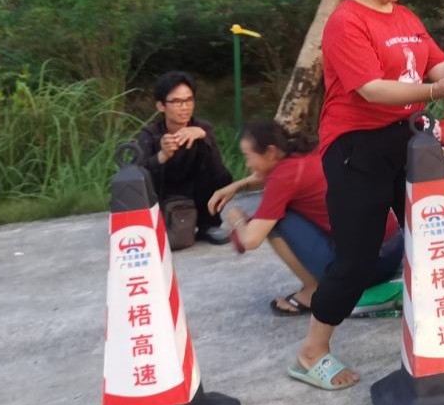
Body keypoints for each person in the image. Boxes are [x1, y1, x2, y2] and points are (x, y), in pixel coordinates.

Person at [289, 0, 444, 391]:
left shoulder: (405, 18)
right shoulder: (346, 22)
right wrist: (436, 90)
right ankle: (311, 352)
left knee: (433, 235)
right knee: (356, 258)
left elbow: (440, 64)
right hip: (356, 147)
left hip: (407, 140)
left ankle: (440, 333)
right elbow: (372, 90)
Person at [207, 120, 403, 316]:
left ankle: (312, 291)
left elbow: (251, 240)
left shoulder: (284, 177)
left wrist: (238, 220)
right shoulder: (310, 151)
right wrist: (235, 187)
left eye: (248, 157)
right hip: (393, 252)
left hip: (369, 268)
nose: (247, 164)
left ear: (271, 152)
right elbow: (266, 176)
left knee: (276, 220)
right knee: (281, 210)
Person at [135, 71, 233, 246]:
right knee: (142, 182)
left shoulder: (202, 128)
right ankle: (157, 227)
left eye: (189, 100)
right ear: (161, 106)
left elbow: (220, 173)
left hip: (194, 191)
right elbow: (137, 176)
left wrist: (204, 138)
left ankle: (208, 225)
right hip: (164, 195)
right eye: (176, 101)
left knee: (222, 176)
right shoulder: (150, 134)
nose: (185, 107)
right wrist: (162, 156)